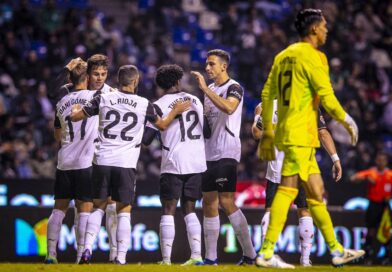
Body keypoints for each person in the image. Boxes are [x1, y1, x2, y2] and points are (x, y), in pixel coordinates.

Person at [256, 9, 364, 268]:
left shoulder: (283, 55)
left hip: (288, 133)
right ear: (314, 28)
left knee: (315, 194)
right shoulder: (315, 56)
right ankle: (267, 251)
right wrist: (347, 120)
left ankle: (336, 250)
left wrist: (269, 133)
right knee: (288, 189)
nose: (327, 30)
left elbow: (267, 91)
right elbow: (326, 95)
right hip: (301, 134)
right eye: (324, 26)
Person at [71, 65, 190, 264]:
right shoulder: (145, 103)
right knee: (123, 209)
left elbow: (76, 117)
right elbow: (161, 125)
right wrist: (175, 111)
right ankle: (121, 258)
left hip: (102, 160)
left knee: (98, 207)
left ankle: (87, 249)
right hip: (126, 163)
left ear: (118, 80)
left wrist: (75, 109)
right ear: (135, 81)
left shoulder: (103, 98)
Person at [251, 101, 342, 266]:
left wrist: (258, 115)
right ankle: (305, 261)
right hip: (302, 166)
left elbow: (257, 134)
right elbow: (323, 133)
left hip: (277, 167)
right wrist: (335, 158)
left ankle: (266, 255)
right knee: (304, 211)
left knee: (271, 210)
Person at [191, 49, 257, 265]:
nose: (207, 68)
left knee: (227, 201)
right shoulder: (209, 89)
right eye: (206, 64)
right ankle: (211, 258)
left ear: (223, 66)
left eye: (211, 64)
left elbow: (229, 108)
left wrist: (204, 90)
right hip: (207, 153)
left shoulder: (234, 87)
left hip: (227, 151)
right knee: (208, 202)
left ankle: (250, 254)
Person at [143, 64, 209, 265]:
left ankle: (166, 260)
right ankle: (197, 256)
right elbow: (207, 132)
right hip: (196, 161)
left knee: (169, 209)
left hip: (173, 162)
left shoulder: (157, 105)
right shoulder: (195, 100)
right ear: (178, 81)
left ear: (161, 86)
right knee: (190, 209)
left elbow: (146, 139)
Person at [44, 61, 97, 264]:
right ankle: (80, 256)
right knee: (84, 209)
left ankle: (50, 254)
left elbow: (57, 135)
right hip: (85, 163)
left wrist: (66, 67)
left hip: (65, 162)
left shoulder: (61, 102)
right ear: (88, 78)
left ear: (69, 79)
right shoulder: (94, 98)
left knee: (58, 209)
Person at [350, 152, 392, 265]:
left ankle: (387, 257)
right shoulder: (371, 173)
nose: (381, 162)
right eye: (379, 160)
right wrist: (364, 179)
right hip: (373, 205)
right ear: (376, 161)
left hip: (385, 205)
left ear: (386, 161)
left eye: (383, 160)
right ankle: (367, 257)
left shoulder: (390, 175)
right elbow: (354, 178)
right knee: (371, 231)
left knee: (386, 231)